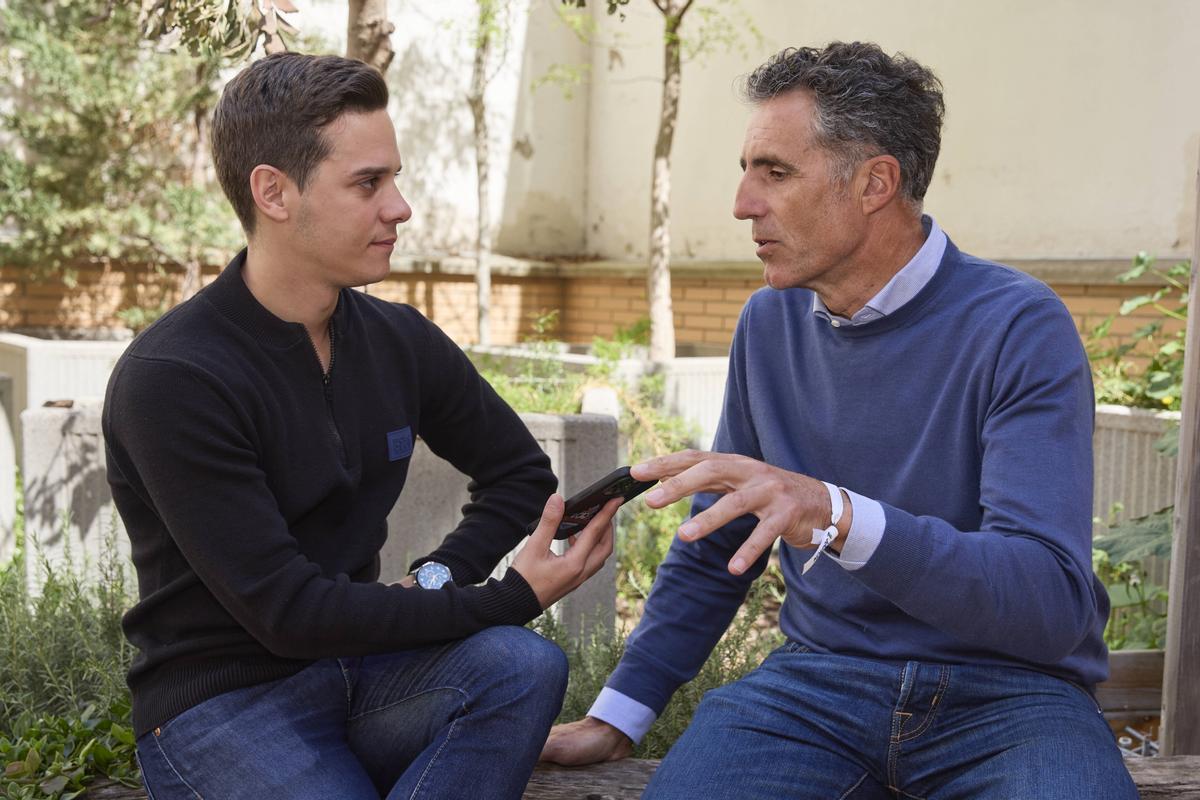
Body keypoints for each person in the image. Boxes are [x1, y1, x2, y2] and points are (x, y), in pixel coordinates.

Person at [541, 42, 1137, 799]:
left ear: (875, 183)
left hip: (1014, 698)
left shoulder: (1018, 325)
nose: (742, 203)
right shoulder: (769, 322)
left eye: (776, 172)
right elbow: (717, 541)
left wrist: (835, 514)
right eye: (746, 169)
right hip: (816, 690)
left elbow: (1047, 601)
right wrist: (618, 714)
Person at [103, 52, 618, 800]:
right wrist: (510, 597)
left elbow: (518, 475)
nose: (400, 207)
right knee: (510, 638)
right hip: (219, 706)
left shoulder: (397, 340)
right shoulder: (176, 376)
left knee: (522, 667)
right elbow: (289, 614)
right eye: (368, 183)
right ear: (274, 193)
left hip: (362, 673)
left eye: (394, 178)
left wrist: (437, 576)